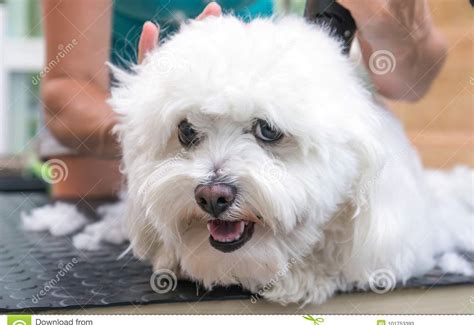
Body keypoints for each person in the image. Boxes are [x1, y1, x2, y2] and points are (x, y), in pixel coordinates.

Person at [41, 0, 447, 198]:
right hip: (108, 134)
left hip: (262, 133)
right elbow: (66, 86)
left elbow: (408, 85)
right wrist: (151, 119)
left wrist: (397, 32)